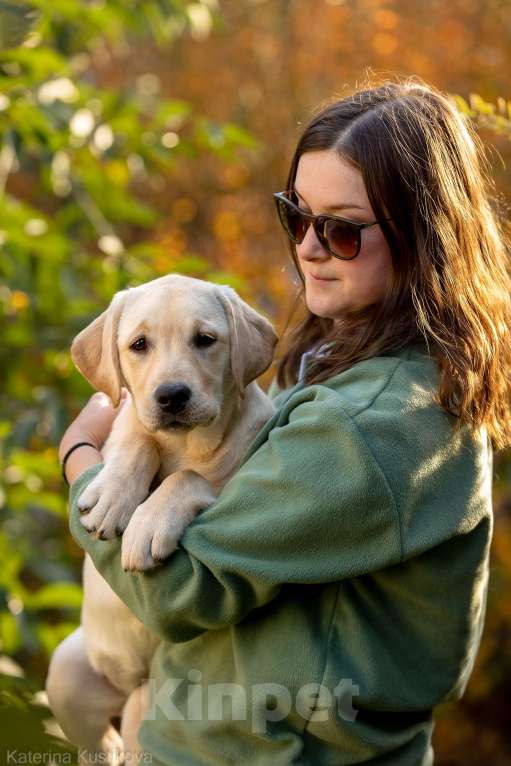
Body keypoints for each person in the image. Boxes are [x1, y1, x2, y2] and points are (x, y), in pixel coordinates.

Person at [57, 77, 511, 765]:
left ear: (421, 234)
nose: (308, 247)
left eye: (341, 229)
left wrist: (82, 459)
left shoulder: (371, 425)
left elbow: (183, 591)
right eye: (295, 217)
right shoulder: (350, 365)